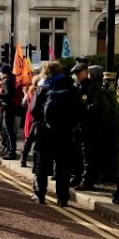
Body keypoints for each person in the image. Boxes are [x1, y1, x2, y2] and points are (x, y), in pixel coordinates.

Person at [29, 61, 81, 207]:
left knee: (41, 163)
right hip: (65, 132)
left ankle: (40, 194)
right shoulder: (71, 88)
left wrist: (40, 121)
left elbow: (33, 110)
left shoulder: (43, 88)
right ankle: (63, 197)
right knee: (63, 165)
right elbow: (79, 110)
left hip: (45, 132)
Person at [0, 64, 19, 159]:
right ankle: (8, 148)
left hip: (7, 107)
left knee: (7, 129)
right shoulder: (10, 80)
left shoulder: (6, 81)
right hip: (8, 106)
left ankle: (11, 151)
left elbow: (10, 94)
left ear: (3, 72)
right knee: (6, 128)